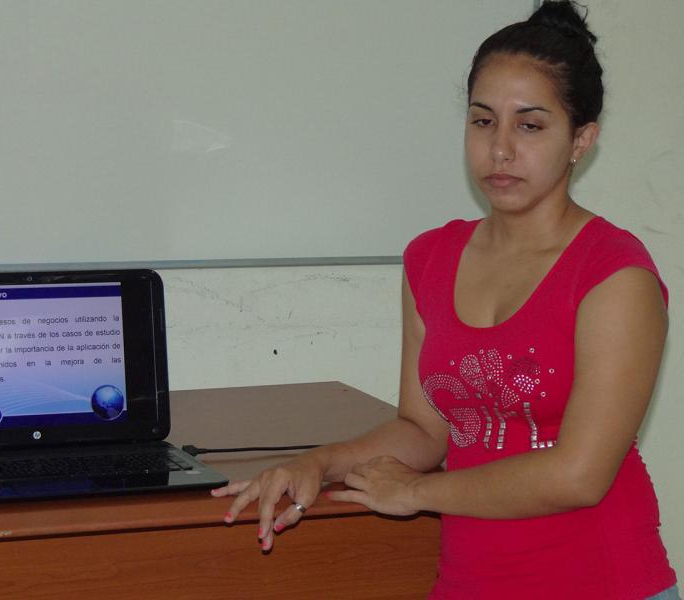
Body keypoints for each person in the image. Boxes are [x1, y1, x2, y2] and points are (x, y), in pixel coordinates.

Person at [211, 1, 680, 598]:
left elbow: (580, 474)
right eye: (483, 121)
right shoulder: (430, 259)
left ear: (581, 140)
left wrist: (414, 493)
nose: (501, 149)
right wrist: (317, 462)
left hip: (604, 580)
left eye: (530, 125)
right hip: (469, 581)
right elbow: (424, 430)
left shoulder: (615, 274)